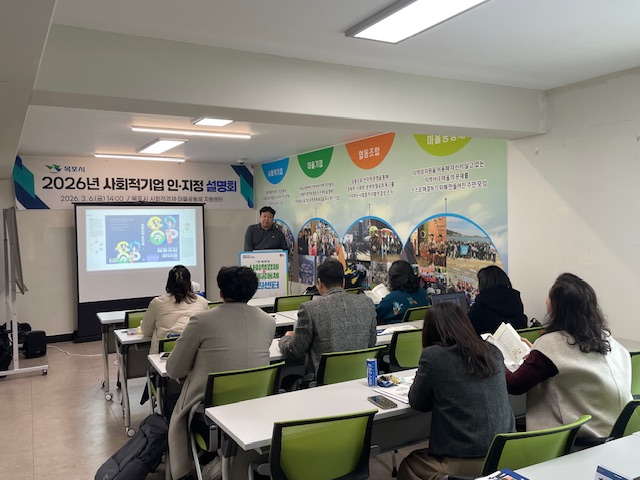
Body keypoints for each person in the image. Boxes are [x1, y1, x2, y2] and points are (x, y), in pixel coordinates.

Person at [165, 266, 276, 480]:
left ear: (221, 293)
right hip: (255, 406)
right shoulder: (268, 322)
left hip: (209, 413)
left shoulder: (202, 321)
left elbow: (174, 369)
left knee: (171, 402)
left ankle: (187, 470)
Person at [505, 273, 632, 439]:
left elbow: (514, 385)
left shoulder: (551, 344)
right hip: (618, 431)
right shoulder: (606, 338)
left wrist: (496, 360)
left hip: (578, 440)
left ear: (558, 307)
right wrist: (536, 353)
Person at [398, 303, 515, 480]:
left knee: (409, 464)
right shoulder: (493, 350)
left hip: (466, 458)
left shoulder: (433, 357)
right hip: (505, 452)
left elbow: (418, 403)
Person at [279, 259, 377, 385]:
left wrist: (285, 339)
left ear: (319, 283)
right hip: (359, 379)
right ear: (343, 282)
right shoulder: (366, 303)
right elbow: (371, 342)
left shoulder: (310, 309)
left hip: (322, 383)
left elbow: (294, 352)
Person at [141, 265, 209, 354]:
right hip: (194, 356)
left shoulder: (157, 303)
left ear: (169, 282)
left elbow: (146, 331)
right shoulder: (202, 302)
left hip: (163, 357)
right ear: (189, 283)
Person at [467, 265, 527, 335]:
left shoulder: (479, 307)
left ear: (483, 284)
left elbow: (465, 329)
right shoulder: (516, 301)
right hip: (516, 341)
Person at [376, 260, 429, 324]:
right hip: (420, 329)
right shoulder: (422, 292)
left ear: (393, 279)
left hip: (395, 329)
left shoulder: (392, 299)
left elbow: (375, 314)